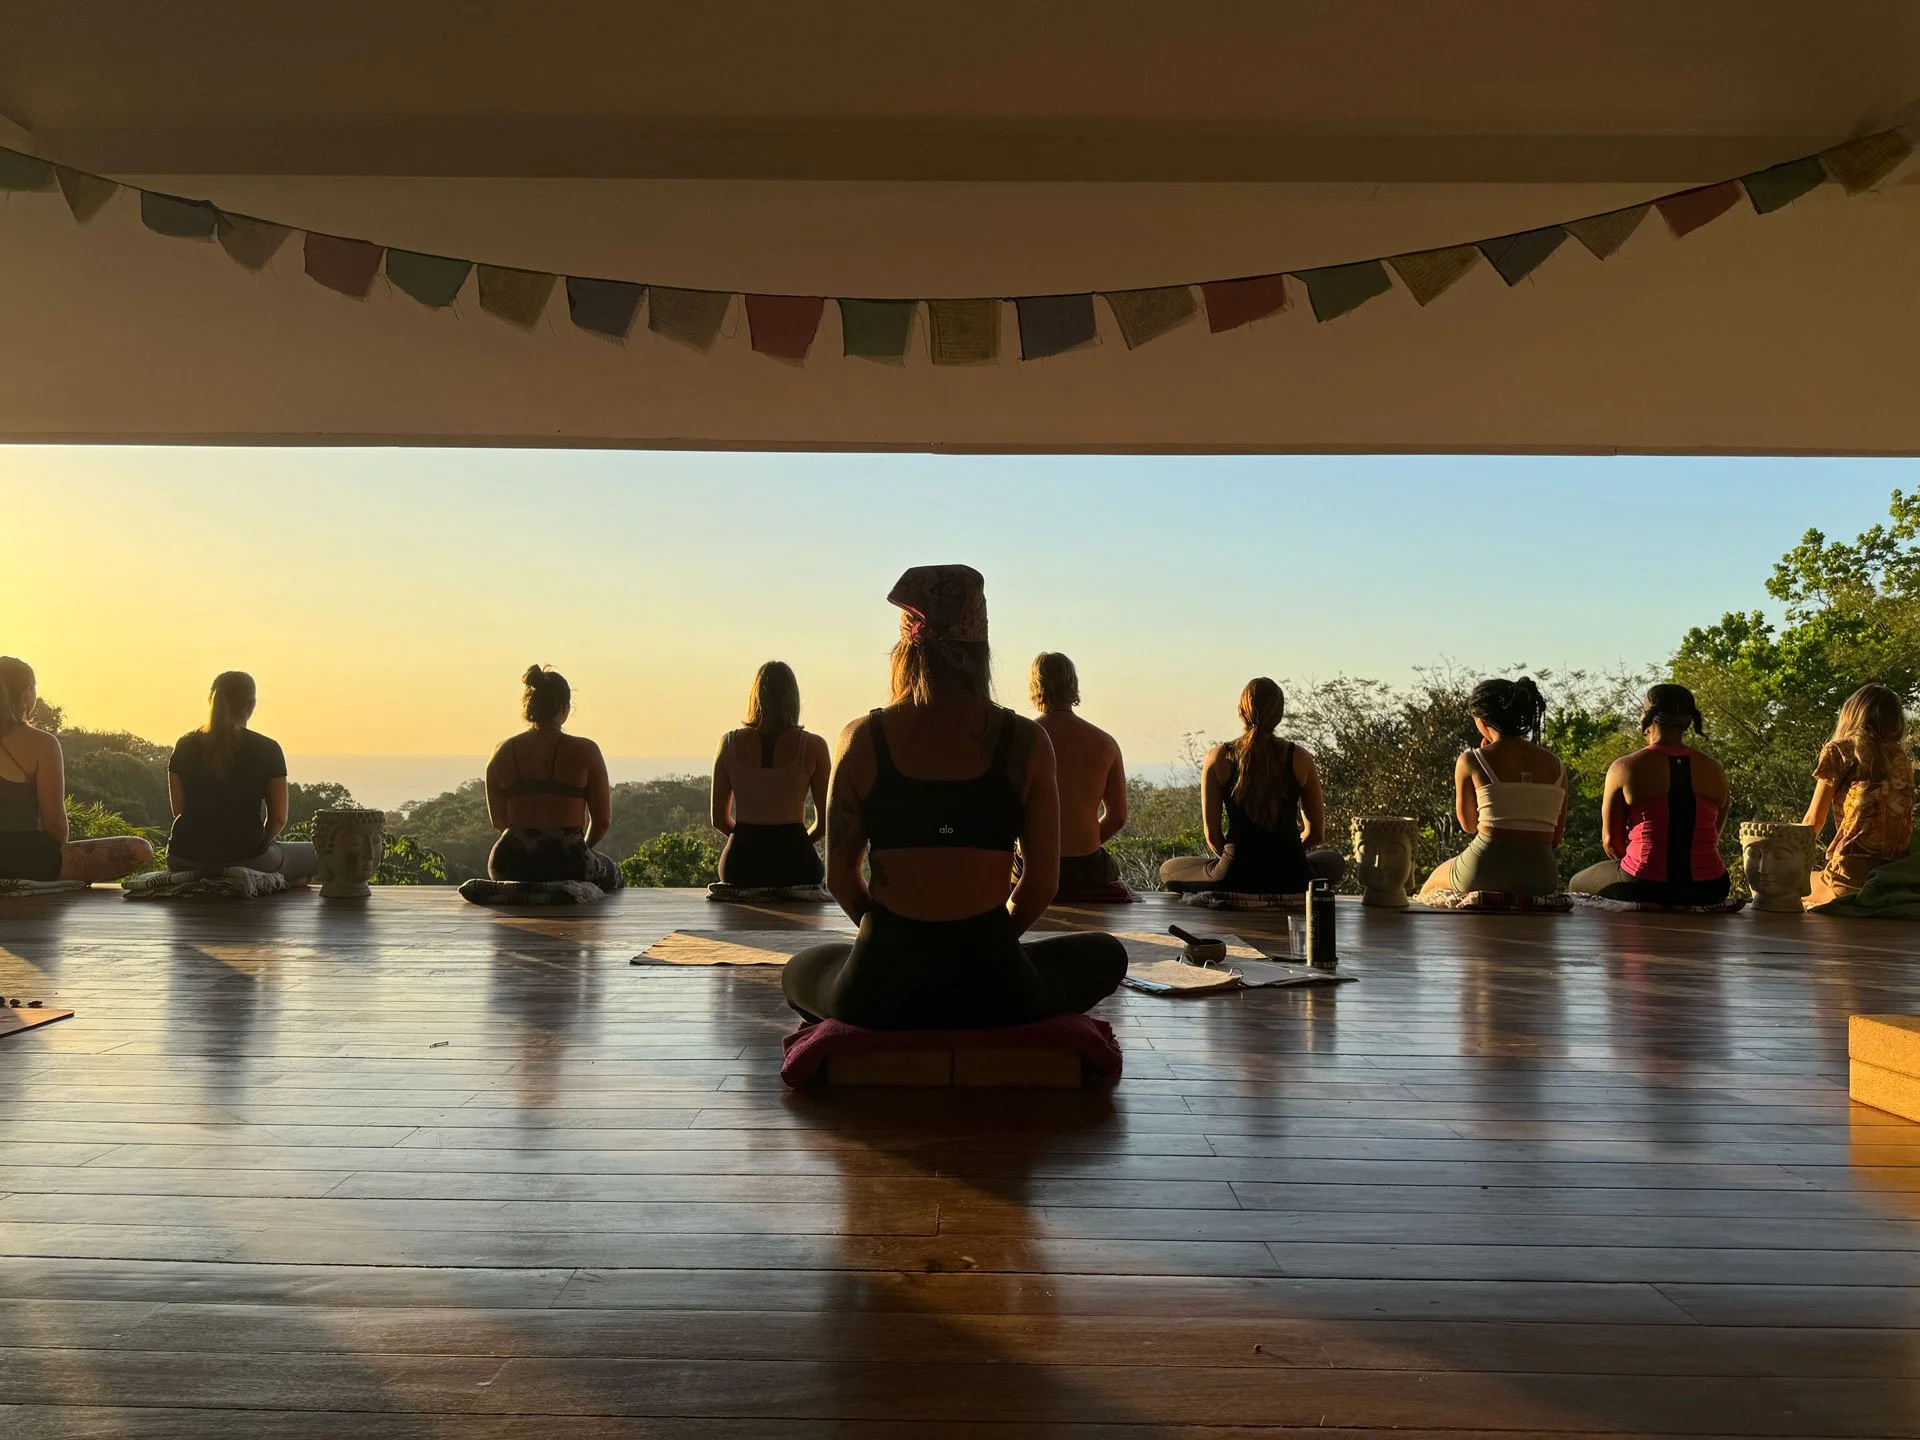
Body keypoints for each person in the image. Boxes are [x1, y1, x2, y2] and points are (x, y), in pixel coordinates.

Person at [783, 565, 1127, 1030]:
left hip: (879, 987)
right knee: (1106, 953)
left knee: (800, 968)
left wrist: (891, 939)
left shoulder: (861, 739)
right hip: (993, 983)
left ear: (904, 648)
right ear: (981, 650)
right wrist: (986, 944)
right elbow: (1042, 882)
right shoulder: (1025, 742)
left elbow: (841, 878)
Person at [1158, 678, 1344, 894]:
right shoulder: (1299, 757)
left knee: (1168, 870)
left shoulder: (1218, 756)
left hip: (1235, 874)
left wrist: (1246, 863)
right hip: (1292, 875)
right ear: (1279, 715)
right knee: (1333, 861)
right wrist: (1280, 856)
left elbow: (1213, 837)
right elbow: (1315, 834)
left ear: (1240, 711)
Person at [1569, 683, 1731, 905]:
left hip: (1643, 885)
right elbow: (1713, 835)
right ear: (1690, 720)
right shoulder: (1715, 769)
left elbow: (1611, 842)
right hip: (1712, 887)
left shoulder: (1625, 767)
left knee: (1576, 883)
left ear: (1646, 716)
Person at [0, 657, 153, 882]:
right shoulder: (41, 743)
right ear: (26, 695)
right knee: (138, 849)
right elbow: (55, 823)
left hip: (23, 857)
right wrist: (58, 856)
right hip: (26, 859)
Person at [1420, 677, 1567, 897]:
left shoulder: (1471, 760)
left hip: (1483, 870)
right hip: (1542, 875)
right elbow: (1554, 839)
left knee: (1431, 883)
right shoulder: (1557, 766)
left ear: (1482, 719)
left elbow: (1469, 825)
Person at [484, 665, 623, 890]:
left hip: (509, 863)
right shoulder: (585, 751)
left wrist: (530, 843)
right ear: (563, 707)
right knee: (614, 873)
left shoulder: (501, 752)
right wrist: (580, 849)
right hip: (569, 863)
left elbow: (499, 821)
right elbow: (602, 821)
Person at [167, 671, 316, 879]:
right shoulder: (268, 749)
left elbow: (179, 811)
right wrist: (256, 843)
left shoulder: (184, 745)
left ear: (211, 700)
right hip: (248, 857)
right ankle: (254, 879)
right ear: (250, 706)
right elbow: (279, 818)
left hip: (183, 858)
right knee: (315, 853)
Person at [711, 661, 830, 888]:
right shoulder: (814, 746)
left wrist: (748, 839)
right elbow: (825, 823)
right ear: (793, 698)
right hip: (797, 864)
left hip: (741, 864)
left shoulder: (729, 743)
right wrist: (794, 844)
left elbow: (719, 820)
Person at [1802, 683, 1914, 908]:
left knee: (1786, 883)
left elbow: (1813, 821)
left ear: (1852, 714)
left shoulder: (1840, 750)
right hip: (1892, 878)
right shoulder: (1903, 760)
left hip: (1848, 878)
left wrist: (1791, 863)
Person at [1028, 652, 1128, 894]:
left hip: (1034, 867)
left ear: (1035, 686)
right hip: (1087, 867)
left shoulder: (1022, 739)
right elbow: (1117, 817)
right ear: (1073, 684)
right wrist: (1086, 844)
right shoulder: (1105, 743)